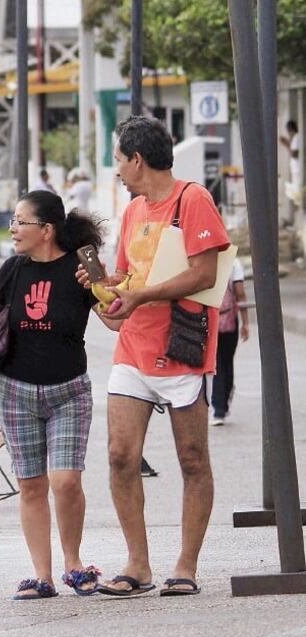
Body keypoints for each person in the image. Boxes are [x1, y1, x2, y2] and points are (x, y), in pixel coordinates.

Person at [77, 115, 230, 597]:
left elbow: (205, 274)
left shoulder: (194, 200)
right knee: (121, 455)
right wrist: (103, 293)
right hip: (133, 347)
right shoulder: (133, 212)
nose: (117, 170)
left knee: (192, 458)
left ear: (137, 160)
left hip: (181, 347)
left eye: (119, 160)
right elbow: (126, 281)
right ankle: (137, 565)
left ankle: (185, 566)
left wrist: (143, 296)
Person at [0, 189, 106, 600]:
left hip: (69, 392)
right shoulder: (12, 269)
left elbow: (114, 319)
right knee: (31, 486)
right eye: (13, 221)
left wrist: (101, 282)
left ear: (47, 229)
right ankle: (44, 575)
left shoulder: (78, 268)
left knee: (65, 480)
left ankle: (74, 563)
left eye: (21, 221)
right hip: (16, 391)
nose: (13, 228)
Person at [210, 261, 250, 426]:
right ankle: (223, 402)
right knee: (227, 362)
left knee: (217, 364)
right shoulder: (233, 262)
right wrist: (245, 323)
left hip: (210, 321)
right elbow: (240, 293)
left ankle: (219, 410)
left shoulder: (206, 259)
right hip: (230, 321)